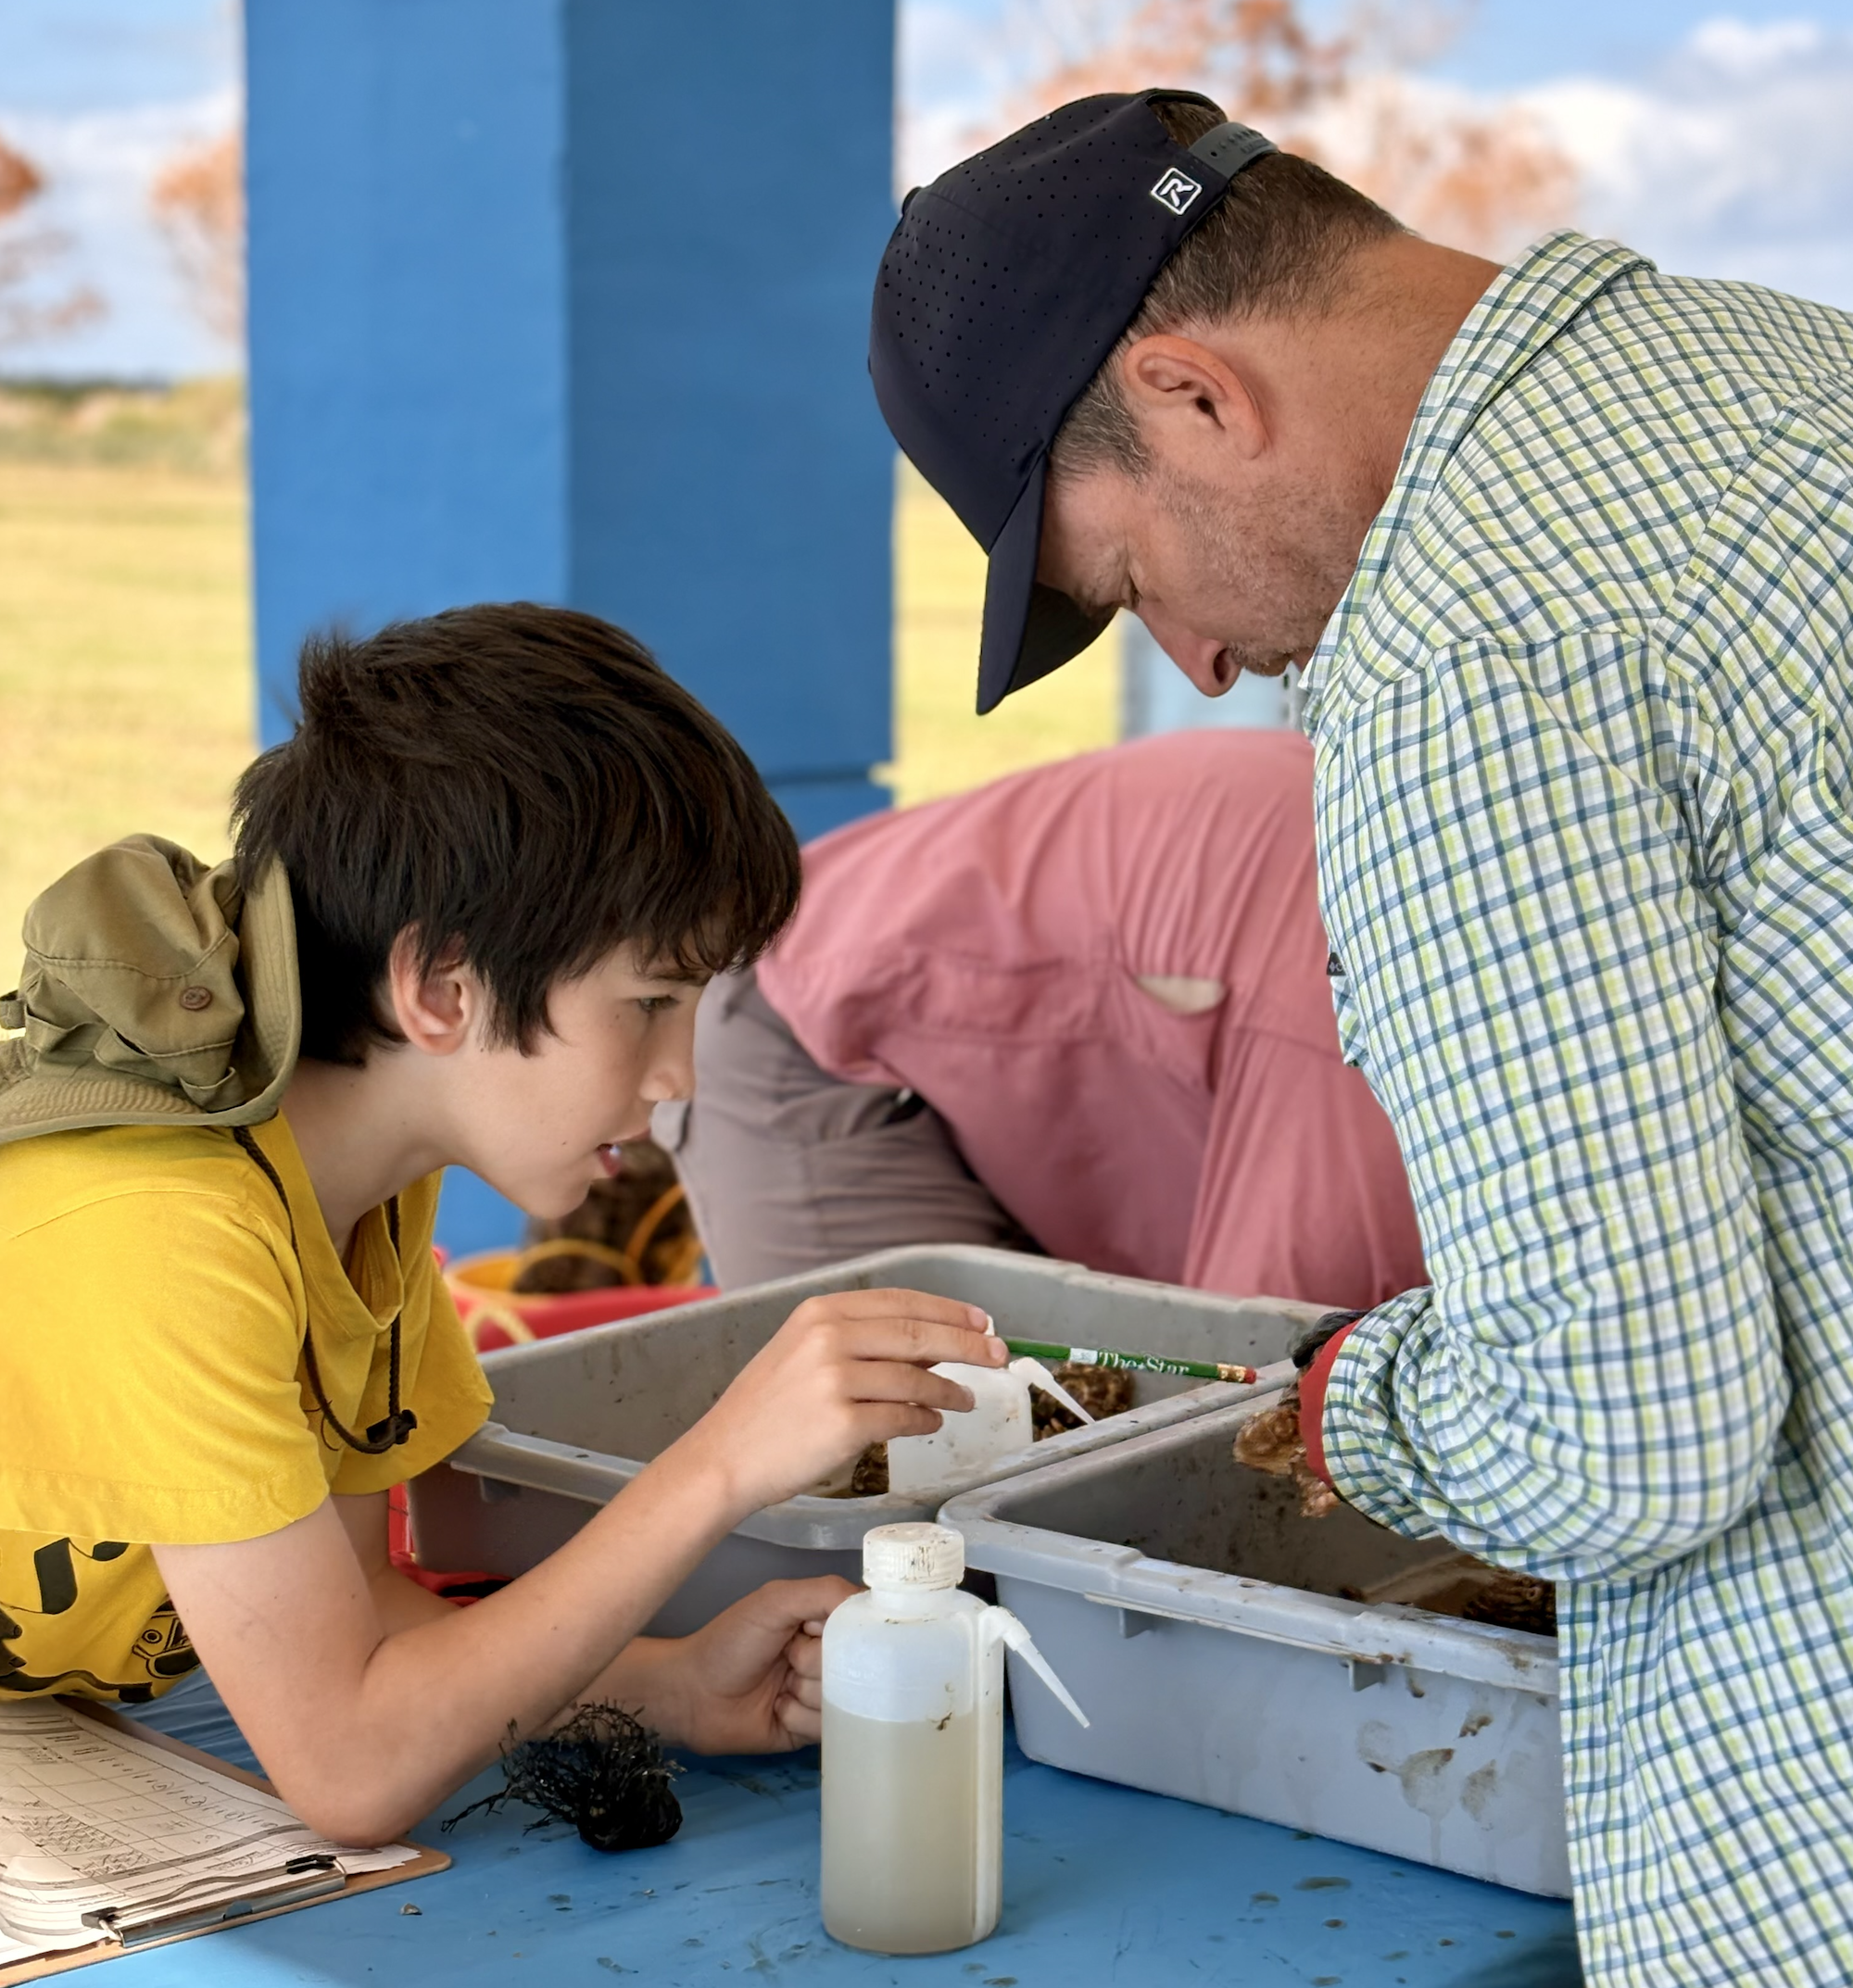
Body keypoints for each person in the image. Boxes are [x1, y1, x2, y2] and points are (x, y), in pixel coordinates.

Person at [868, 88, 1853, 1988]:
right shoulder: (1781, 374)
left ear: (1190, 395)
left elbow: (1626, 1430)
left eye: (1130, 584)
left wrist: (1348, 1397)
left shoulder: (1463, 663)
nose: (1205, 668)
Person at [0, 603, 1003, 1845]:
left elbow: (365, 1632)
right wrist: (718, 1464)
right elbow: (352, 1766)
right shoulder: (167, 1231)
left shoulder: (348, 1185)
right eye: (648, 1001)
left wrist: (671, 1681)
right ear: (439, 987)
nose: (678, 1072)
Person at [662, 726, 1423, 1310]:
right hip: (803, 1019)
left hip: (1039, 978)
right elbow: (1265, 1388)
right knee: (917, 1455)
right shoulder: (1365, 1017)